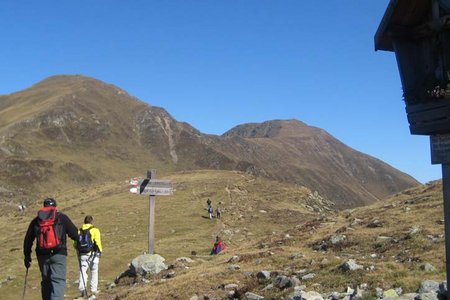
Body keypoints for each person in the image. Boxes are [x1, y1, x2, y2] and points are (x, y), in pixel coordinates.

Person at [23, 198, 78, 300]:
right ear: (55, 207)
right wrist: (79, 244)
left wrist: (27, 256)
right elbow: (75, 233)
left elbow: (28, 240)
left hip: (42, 256)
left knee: (46, 281)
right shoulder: (61, 217)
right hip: (59, 254)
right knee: (58, 281)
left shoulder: (36, 221)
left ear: (44, 207)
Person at [76, 215, 103, 299]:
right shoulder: (95, 230)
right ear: (91, 221)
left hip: (82, 254)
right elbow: (98, 242)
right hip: (93, 254)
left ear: (84, 222)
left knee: (83, 271)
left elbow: (75, 243)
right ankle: (93, 290)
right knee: (94, 271)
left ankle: (82, 289)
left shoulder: (79, 231)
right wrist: (100, 251)